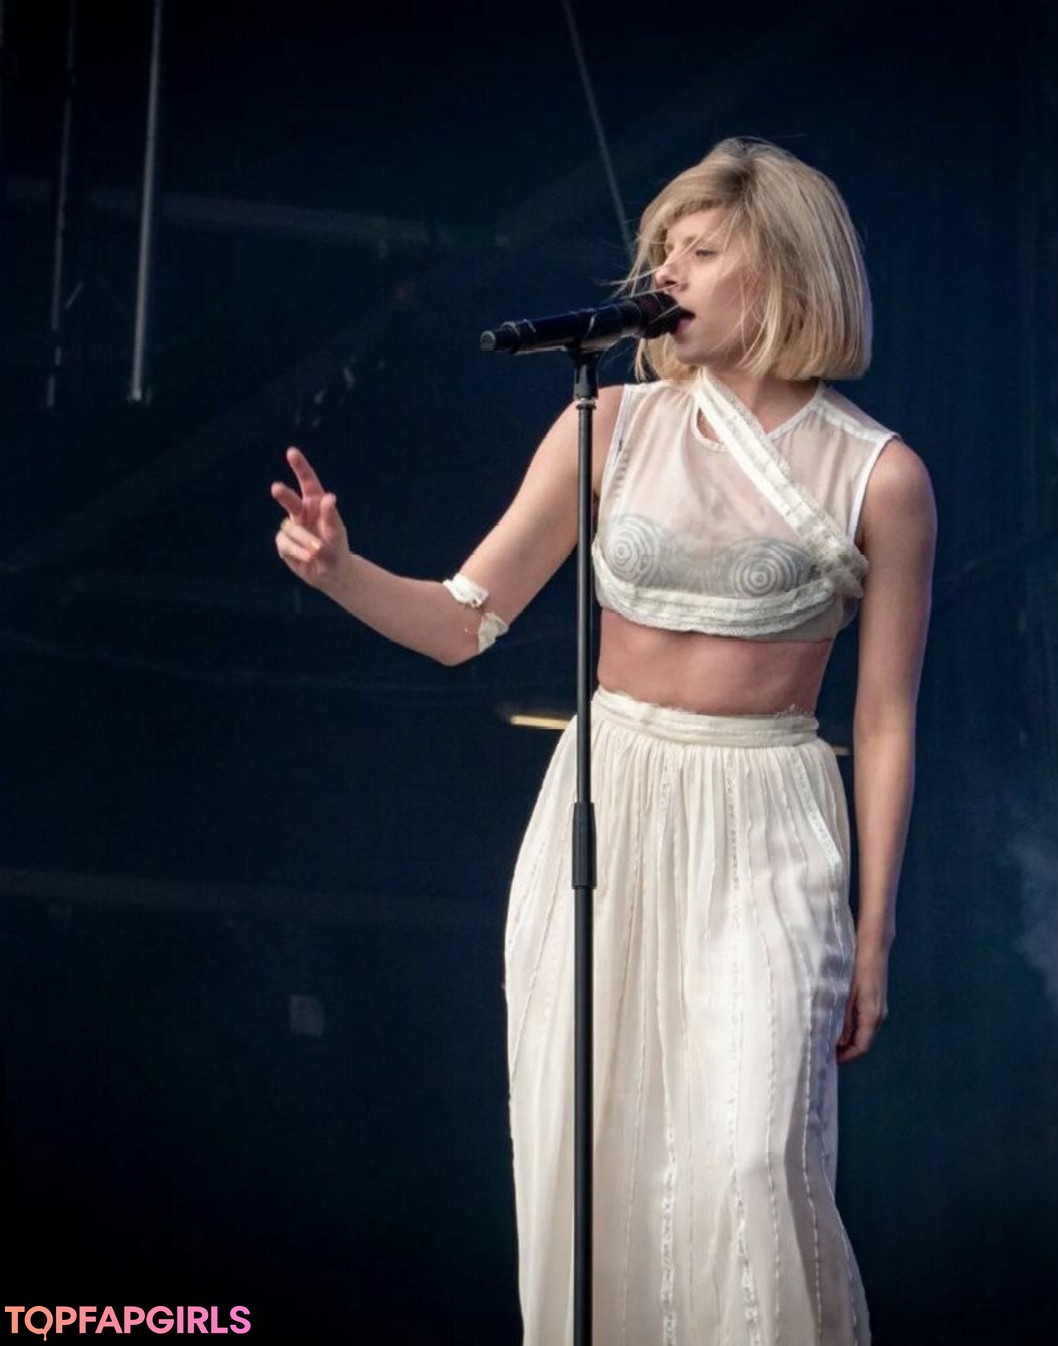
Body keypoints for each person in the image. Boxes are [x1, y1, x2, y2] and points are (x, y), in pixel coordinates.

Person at [271, 137, 936, 1346]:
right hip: (613, 790)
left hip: (767, 810)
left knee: (754, 1156)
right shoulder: (610, 423)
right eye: (661, 249)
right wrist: (341, 570)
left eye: (701, 249)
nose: (665, 270)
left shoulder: (880, 476)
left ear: (783, 270)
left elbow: (885, 716)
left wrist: (875, 931)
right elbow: (464, 622)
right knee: (592, 1146)